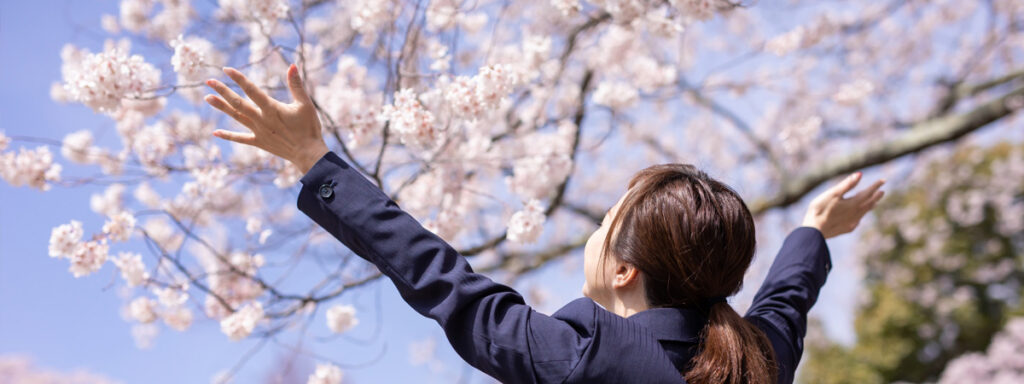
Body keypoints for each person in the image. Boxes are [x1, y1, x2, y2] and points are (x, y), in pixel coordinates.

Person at [203, 64, 885, 384]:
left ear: (624, 269)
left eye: (606, 223)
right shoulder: (755, 363)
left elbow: (447, 282)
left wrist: (312, 160)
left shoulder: (590, 358)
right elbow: (784, 304)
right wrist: (813, 234)